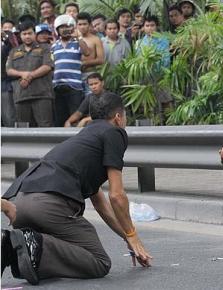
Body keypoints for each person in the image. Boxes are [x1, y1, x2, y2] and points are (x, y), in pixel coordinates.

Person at [1, 92, 152, 285]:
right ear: (118, 117)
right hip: (49, 204)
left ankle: (9, 245)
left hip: (21, 202)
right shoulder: (114, 132)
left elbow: (100, 203)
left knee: (63, 244)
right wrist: (133, 234)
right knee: (99, 261)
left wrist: (126, 237)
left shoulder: (86, 137)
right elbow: (116, 195)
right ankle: (31, 243)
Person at [6, 21, 54, 127]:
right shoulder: (13, 51)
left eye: (29, 33)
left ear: (34, 34)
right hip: (21, 95)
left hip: (42, 94)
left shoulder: (45, 48)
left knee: (45, 126)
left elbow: (48, 66)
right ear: (20, 35)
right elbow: (9, 70)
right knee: (23, 128)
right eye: (24, 34)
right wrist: (23, 74)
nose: (27, 36)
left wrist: (29, 77)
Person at [51, 14, 90, 127]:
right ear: (57, 29)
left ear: (72, 28)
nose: (65, 29)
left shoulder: (77, 43)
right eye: (61, 27)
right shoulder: (54, 46)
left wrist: (78, 37)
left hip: (75, 86)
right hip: (57, 86)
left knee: (74, 118)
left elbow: (87, 53)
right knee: (60, 118)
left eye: (67, 26)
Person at [76, 12, 105, 96]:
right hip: (76, 75)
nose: (82, 27)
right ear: (76, 25)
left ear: (89, 24)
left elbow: (101, 60)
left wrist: (85, 63)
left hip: (90, 74)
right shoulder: (73, 39)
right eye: (80, 24)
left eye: (85, 24)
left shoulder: (96, 39)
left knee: (91, 101)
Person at [1, 27, 17, 127]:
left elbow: (15, 47)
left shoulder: (8, 35)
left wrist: (5, 37)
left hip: (5, 84)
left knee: (9, 117)